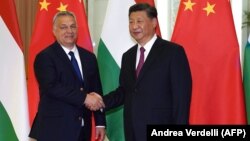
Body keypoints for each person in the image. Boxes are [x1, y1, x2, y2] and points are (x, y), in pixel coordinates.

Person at [92, 3, 192, 141]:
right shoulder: (128, 56)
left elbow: (181, 99)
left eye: (139, 21)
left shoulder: (173, 52)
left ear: (154, 22)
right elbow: (125, 91)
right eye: (131, 22)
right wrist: (100, 101)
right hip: (133, 131)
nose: (134, 26)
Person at [29, 11, 106, 141]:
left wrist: (100, 122)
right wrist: (84, 98)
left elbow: (96, 91)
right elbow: (51, 87)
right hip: (54, 130)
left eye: (73, 26)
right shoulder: (45, 57)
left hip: (83, 130)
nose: (69, 31)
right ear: (54, 30)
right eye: (63, 27)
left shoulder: (89, 58)